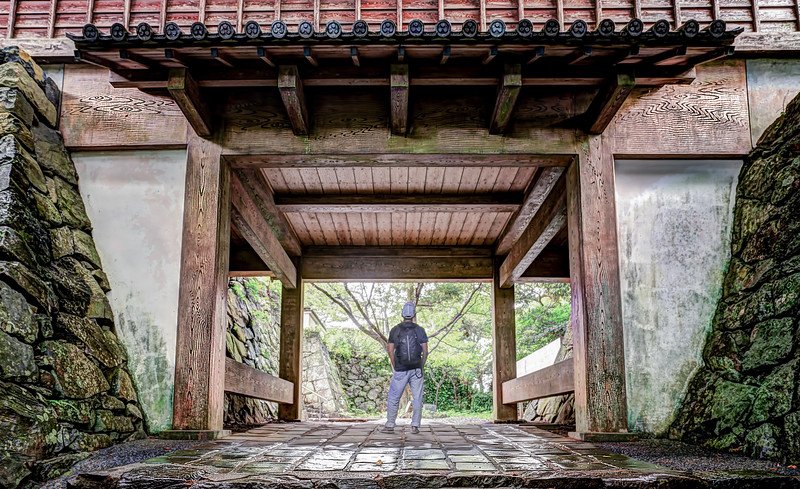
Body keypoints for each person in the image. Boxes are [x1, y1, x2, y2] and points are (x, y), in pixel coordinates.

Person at [382, 301, 428, 434]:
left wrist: (394, 365)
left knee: (394, 397)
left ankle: (390, 425)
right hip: (416, 369)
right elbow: (425, 351)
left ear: (402, 314)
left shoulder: (395, 330)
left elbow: (390, 350)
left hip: (400, 369)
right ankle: (415, 426)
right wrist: (421, 365)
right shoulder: (420, 329)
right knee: (417, 397)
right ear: (413, 314)